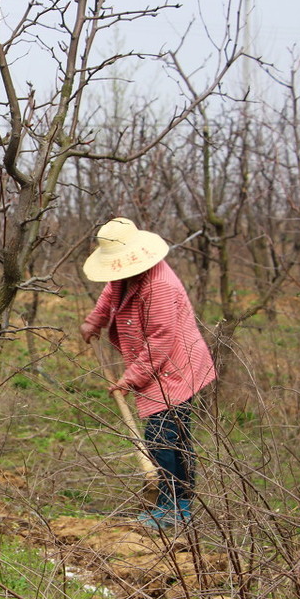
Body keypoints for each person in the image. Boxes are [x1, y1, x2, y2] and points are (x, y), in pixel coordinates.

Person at [79, 218, 215, 530]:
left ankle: (173, 506)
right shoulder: (124, 275)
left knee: (163, 438)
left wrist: (129, 380)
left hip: (175, 368)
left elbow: (160, 341)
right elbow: (111, 293)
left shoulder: (160, 286)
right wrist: (94, 321)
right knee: (169, 435)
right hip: (158, 364)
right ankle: (177, 503)